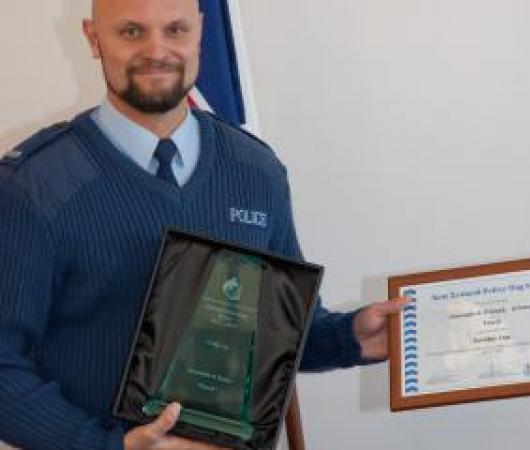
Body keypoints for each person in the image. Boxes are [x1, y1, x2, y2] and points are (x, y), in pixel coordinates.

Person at [0, 0, 406, 449]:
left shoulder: (256, 169)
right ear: (93, 38)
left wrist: (348, 338)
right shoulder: (30, 187)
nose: (157, 51)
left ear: (200, 34)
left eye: (175, 30)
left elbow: (271, 333)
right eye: (131, 32)